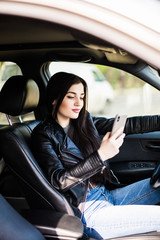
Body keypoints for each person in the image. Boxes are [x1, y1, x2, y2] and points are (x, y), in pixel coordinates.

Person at [32, 72, 160, 239]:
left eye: (82, 96)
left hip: (106, 194)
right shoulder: (43, 135)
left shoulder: (82, 121)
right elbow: (59, 181)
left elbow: (129, 125)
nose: (79, 103)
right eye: (71, 97)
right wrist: (100, 156)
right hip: (88, 210)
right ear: (55, 99)